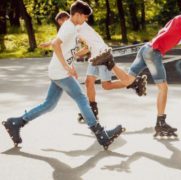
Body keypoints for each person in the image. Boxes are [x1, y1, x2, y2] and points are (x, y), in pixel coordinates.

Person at [2, 0, 124, 150]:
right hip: (61, 72)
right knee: (81, 98)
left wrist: (71, 61)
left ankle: (16, 122)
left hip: (57, 71)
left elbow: (60, 44)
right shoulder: (69, 28)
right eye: (85, 16)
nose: (86, 19)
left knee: (49, 104)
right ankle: (101, 134)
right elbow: (56, 44)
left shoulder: (72, 27)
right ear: (78, 15)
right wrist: (67, 67)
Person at [91, 2, 181, 138]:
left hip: (146, 49)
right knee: (163, 88)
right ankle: (160, 122)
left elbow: (162, 33)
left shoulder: (176, 21)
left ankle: (110, 63)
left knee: (128, 81)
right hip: (153, 52)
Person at [75, 22, 147, 123]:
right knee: (89, 82)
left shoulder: (77, 27)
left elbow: (85, 47)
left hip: (102, 55)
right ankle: (92, 111)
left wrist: (73, 54)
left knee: (106, 85)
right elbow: (88, 47)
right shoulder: (79, 28)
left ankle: (133, 81)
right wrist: (75, 54)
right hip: (95, 57)